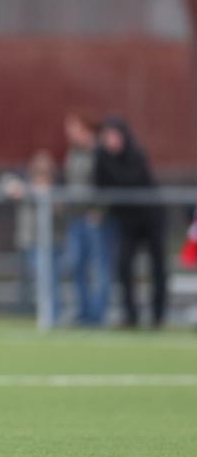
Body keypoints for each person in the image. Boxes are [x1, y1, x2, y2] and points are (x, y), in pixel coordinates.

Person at [95, 117, 167, 328]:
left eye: (114, 136)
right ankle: (131, 316)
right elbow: (99, 184)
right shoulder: (102, 157)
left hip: (151, 218)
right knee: (124, 266)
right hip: (127, 221)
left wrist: (110, 168)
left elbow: (131, 181)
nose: (110, 141)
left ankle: (157, 316)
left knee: (158, 267)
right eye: (107, 136)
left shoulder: (136, 154)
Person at [0, 150, 64, 323]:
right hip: (31, 242)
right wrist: (16, 188)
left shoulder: (56, 190)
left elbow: (63, 213)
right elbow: (5, 184)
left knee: (50, 281)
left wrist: (49, 199)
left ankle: (52, 316)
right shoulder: (25, 186)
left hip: (51, 243)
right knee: (38, 280)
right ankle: (41, 313)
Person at [63, 112, 114, 326]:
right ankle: (83, 312)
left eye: (73, 128)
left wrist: (99, 210)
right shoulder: (73, 153)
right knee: (77, 264)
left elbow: (109, 182)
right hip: (76, 216)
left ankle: (98, 314)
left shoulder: (100, 152)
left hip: (95, 218)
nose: (69, 133)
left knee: (100, 266)